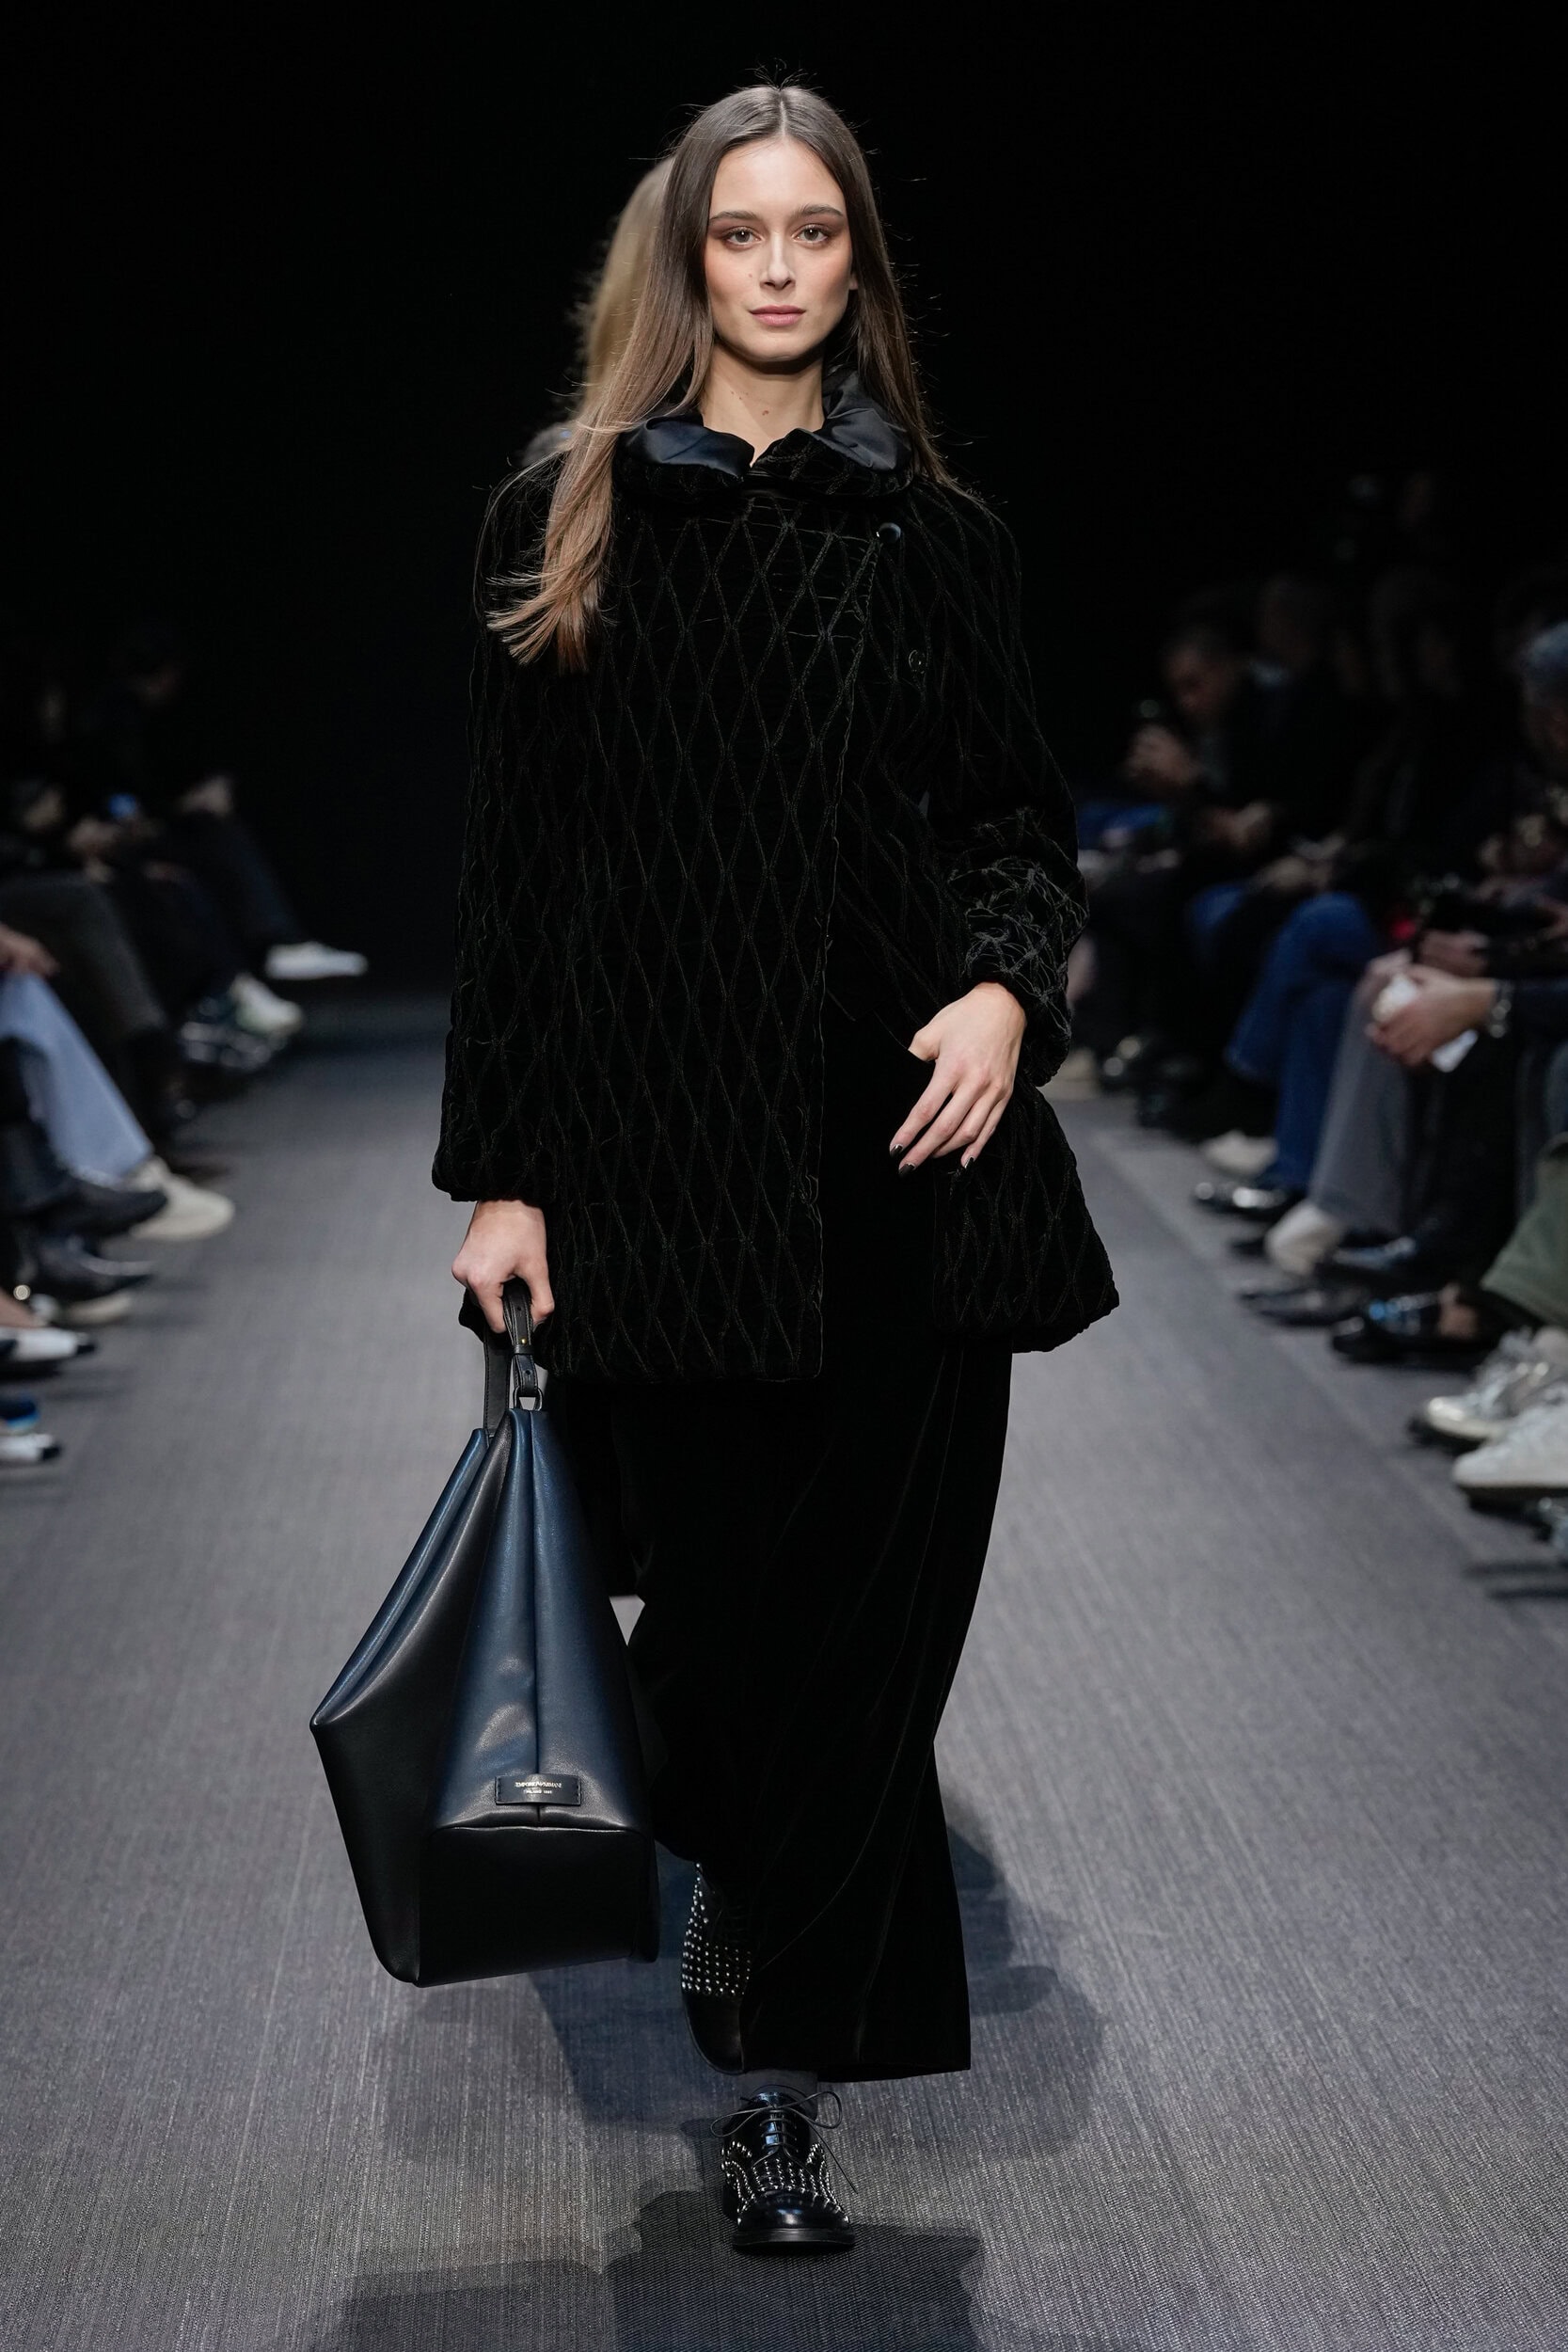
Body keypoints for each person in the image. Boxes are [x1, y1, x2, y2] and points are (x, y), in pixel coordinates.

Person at [436, 81, 1115, 2255]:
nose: (782, 267)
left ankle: (781, 2094)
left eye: (816, 230)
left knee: (865, 1654)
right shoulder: (572, 514)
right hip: (661, 1174)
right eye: (743, 233)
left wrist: (1005, 991)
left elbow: (1016, 821)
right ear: (688, 260)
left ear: (858, 261)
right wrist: (505, 1171)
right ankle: (732, 1862)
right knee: (725, 1649)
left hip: (911, 1165)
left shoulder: (936, 534)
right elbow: (520, 880)